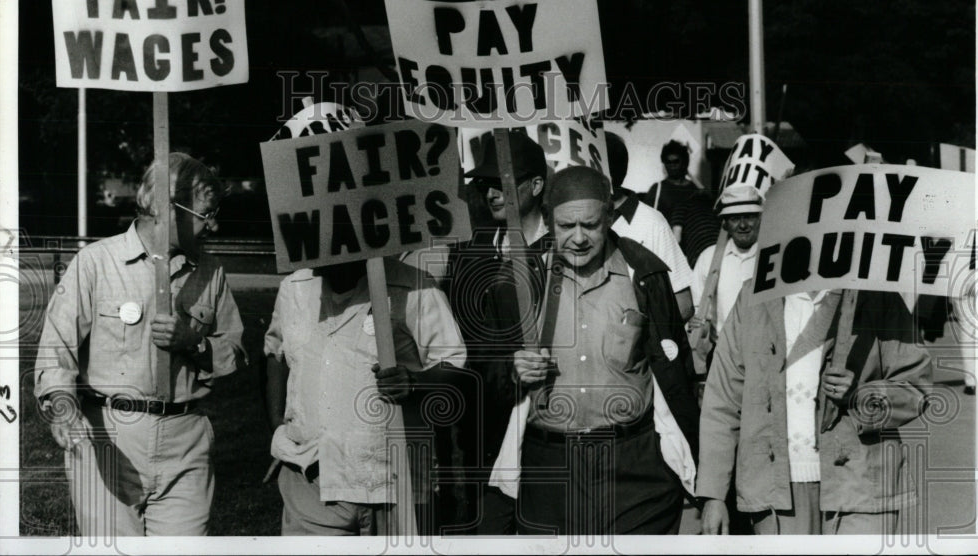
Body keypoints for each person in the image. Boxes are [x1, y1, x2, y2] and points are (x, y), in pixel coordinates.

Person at [34, 152, 245, 536]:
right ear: (166, 207)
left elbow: (236, 353)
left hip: (187, 442)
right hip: (109, 440)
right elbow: (55, 348)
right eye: (205, 214)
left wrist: (194, 343)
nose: (212, 227)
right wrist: (63, 406)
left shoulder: (211, 272)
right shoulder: (96, 263)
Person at [506, 165, 699, 535]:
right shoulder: (521, 277)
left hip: (635, 469)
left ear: (610, 216)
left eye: (590, 225)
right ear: (547, 221)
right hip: (549, 469)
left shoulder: (644, 272)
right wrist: (511, 368)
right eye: (566, 227)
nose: (578, 238)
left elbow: (677, 371)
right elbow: (485, 370)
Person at [697, 284, 932, 535]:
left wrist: (860, 396)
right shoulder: (754, 295)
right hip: (774, 489)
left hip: (860, 486)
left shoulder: (875, 294)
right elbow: (722, 401)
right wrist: (713, 495)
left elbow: (917, 387)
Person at [264, 258, 467, 536]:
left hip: (391, 482)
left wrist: (415, 382)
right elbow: (276, 353)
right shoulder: (295, 287)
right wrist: (280, 425)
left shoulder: (414, 286)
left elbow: (455, 365)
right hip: (312, 476)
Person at [444, 129, 551, 534]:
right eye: (485, 183)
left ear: (536, 185)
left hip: (544, 427)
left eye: (501, 182)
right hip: (484, 428)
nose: (491, 192)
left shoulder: (564, 250)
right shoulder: (472, 251)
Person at [605, 131, 694, 321]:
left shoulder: (651, 222)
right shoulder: (577, 225)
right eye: (668, 162)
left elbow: (683, 305)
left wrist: (646, 340)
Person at [689, 184, 764, 371]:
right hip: (722, 357)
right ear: (725, 223)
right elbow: (699, 312)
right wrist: (698, 325)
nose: (743, 225)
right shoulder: (709, 258)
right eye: (735, 218)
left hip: (766, 356)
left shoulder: (775, 255)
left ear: (760, 218)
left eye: (749, 216)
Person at [642, 140, 699, 237]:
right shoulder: (657, 189)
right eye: (668, 162)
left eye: (676, 161)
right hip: (664, 243)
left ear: (684, 162)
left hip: (691, 246)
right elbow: (646, 221)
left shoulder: (694, 189)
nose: (672, 166)